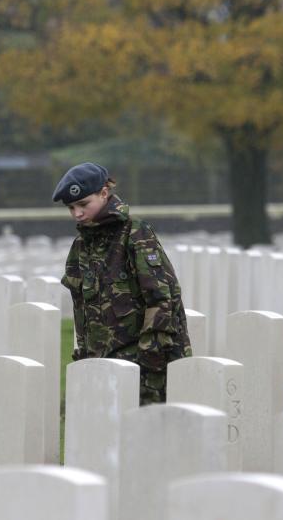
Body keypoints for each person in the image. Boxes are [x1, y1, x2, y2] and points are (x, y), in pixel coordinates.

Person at [54, 161, 191, 404]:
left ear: (104, 193)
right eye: (71, 207)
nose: (77, 213)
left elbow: (161, 299)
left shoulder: (135, 233)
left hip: (145, 366)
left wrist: (150, 360)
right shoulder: (81, 246)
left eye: (83, 204)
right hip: (101, 365)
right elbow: (82, 310)